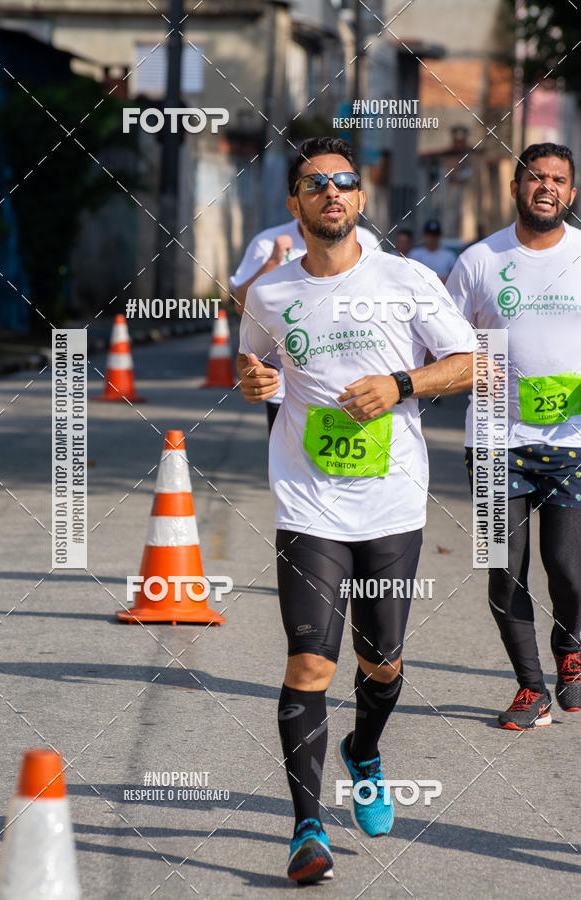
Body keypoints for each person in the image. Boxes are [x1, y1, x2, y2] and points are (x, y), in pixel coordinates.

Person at [236, 136, 476, 883]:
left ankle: (363, 750)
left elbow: (471, 362)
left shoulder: (405, 279)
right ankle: (307, 830)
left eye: (344, 182)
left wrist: (400, 385)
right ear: (295, 204)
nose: (332, 193)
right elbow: (258, 363)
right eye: (316, 184)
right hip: (308, 502)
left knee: (383, 662)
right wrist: (255, 381)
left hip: (391, 503)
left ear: (362, 198)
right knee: (311, 659)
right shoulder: (270, 294)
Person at [447, 142, 581, 730]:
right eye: (535, 177)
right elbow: (444, 342)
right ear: (516, 187)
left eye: (558, 179)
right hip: (494, 439)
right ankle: (531, 689)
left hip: (574, 441)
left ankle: (571, 652)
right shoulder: (479, 260)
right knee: (503, 568)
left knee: (569, 567)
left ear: (571, 193)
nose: (546, 186)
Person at [230, 218, 381, 432]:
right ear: (294, 205)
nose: (328, 201)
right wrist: (273, 261)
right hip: (289, 395)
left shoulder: (367, 240)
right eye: (314, 197)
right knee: (291, 453)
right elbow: (241, 304)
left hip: (361, 392)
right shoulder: (266, 242)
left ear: (360, 203)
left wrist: (397, 384)